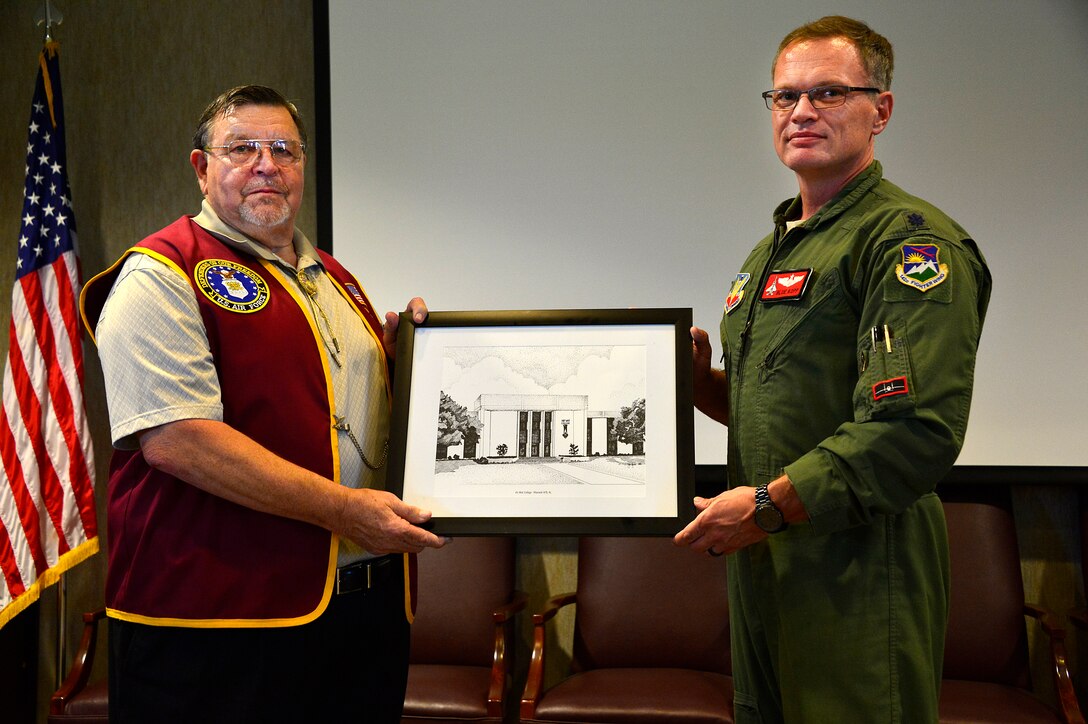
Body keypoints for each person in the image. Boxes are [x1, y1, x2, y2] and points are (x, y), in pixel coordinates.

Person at [80, 85, 445, 723]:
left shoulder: (336, 279)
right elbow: (177, 441)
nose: (266, 164)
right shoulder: (160, 273)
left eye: (283, 149)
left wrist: (412, 360)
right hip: (217, 628)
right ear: (200, 167)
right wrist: (344, 510)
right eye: (242, 148)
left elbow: (328, 410)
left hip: (360, 617)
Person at [674, 16, 991, 723]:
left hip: (857, 564)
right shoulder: (770, 252)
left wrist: (766, 507)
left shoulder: (909, 244)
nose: (801, 112)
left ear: (880, 109)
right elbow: (789, 401)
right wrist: (702, 387)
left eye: (828, 92)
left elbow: (912, 429)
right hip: (768, 564)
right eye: (785, 97)